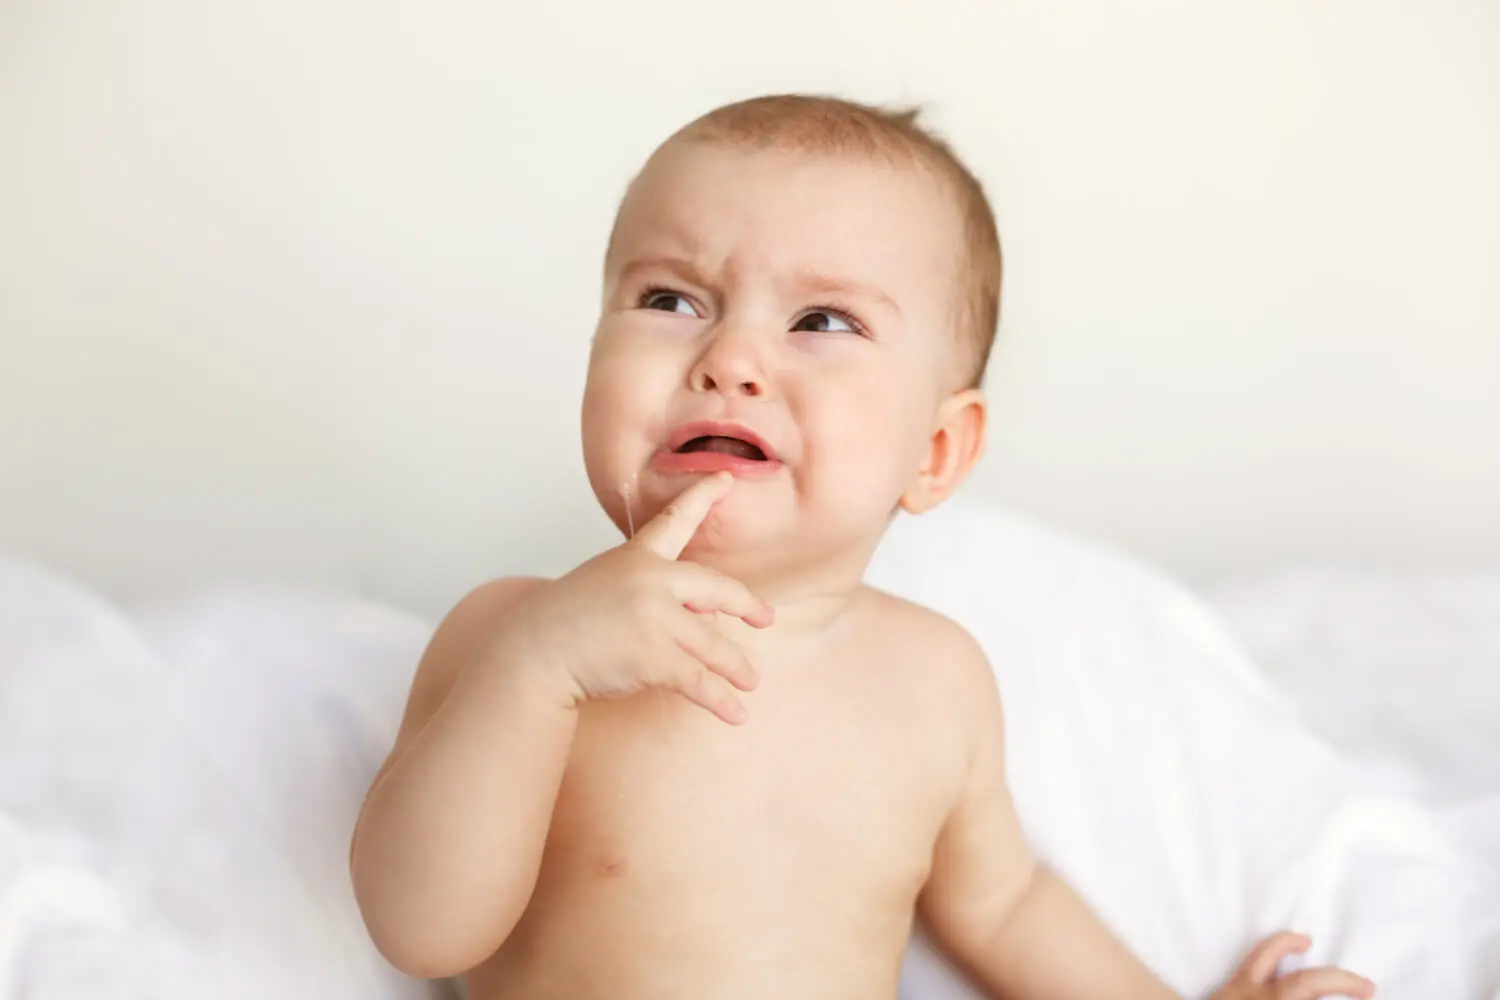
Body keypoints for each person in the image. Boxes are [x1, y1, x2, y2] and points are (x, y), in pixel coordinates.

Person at [349, 94, 1376, 1000]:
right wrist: (537, 670)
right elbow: (420, 928)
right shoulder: (513, 636)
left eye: (821, 319)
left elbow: (1008, 906)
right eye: (670, 299)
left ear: (934, 451)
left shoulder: (933, 679)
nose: (731, 358)